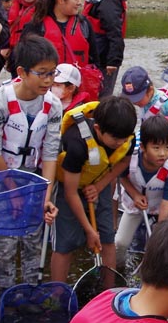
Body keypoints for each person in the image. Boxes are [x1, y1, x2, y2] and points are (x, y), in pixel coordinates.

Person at [0, 35, 63, 290]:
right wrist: (11, 190)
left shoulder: (53, 105)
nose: (48, 80)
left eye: (52, 73)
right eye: (42, 73)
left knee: (32, 239)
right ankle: (5, 292)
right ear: (22, 72)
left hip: (32, 177)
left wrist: (45, 196)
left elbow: (49, 154)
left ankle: (31, 292)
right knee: (5, 244)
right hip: (1, 175)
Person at [51, 96, 136, 284]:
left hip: (99, 180)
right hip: (69, 186)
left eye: (124, 138)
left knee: (107, 238)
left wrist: (99, 186)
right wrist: (89, 230)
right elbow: (70, 192)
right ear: (98, 129)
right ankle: (58, 296)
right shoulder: (77, 143)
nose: (121, 142)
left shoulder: (126, 136)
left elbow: (124, 161)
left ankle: (108, 292)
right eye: (115, 138)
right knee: (65, 244)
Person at [115, 115, 168, 278]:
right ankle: (117, 269)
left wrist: (159, 232)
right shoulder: (130, 159)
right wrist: (135, 195)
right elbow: (121, 177)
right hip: (134, 204)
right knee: (120, 242)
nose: (163, 153)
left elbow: (166, 204)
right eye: (156, 148)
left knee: (161, 243)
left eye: (167, 147)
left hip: (160, 207)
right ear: (143, 147)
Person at [24, 0, 100, 101]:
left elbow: (95, 62)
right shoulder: (36, 27)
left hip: (76, 95)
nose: (80, 2)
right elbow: (24, 62)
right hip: (45, 94)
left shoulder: (84, 25)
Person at [82, 0, 127, 96]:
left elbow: (115, 33)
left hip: (105, 60)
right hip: (96, 55)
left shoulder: (108, 3)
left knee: (102, 96)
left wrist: (113, 61)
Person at [119, 66, 168, 133]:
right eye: (131, 98)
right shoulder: (146, 101)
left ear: (150, 90)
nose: (134, 102)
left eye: (137, 98)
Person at [1, 0, 43, 81]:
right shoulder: (14, 4)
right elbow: (6, 27)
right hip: (16, 56)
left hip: (38, 59)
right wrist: (4, 46)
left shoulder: (48, 5)